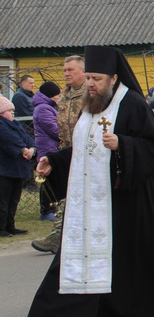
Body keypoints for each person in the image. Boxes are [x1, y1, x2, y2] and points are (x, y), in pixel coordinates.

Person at [28, 45, 154, 317]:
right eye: (88, 78)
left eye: (96, 78)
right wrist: (54, 162)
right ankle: (66, 312)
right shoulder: (89, 105)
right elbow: (84, 150)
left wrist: (123, 144)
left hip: (125, 199)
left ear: (113, 78)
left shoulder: (132, 103)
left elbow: (153, 147)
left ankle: (112, 310)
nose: (91, 84)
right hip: (90, 198)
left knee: (120, 259)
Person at [31, 55, 88, 254]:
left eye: (70, 70)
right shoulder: (64, 95)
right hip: (66, 152)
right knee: (66, 195)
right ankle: (60, 236)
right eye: (64, 70)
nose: (66, 74)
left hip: (88, 152)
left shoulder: (91, 94)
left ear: (83, 71)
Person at [0, 96, 35, 237]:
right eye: (10, 111)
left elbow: (29, 139)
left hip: (18, 169)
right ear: (2, 113)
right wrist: (23, 149)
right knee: (3, 200)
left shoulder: (16, 125)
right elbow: (9, 139)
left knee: (14, 199)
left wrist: (32, 149)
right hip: (5, 169)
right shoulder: (2, 125)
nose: (13, 113)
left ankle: (10, 225)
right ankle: (1, 227)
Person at [32, 81, 61, 221]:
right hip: (48, 149)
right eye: (57, 94)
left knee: (54, 179)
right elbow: (53, 128)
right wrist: (66, 133)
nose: (59, 97)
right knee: (47, 180)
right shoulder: (43, 109)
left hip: (52, 147)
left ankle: (53, 208)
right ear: (51, 95)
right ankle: (46, 210)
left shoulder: (49, 107)